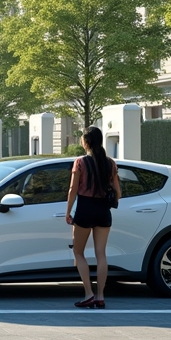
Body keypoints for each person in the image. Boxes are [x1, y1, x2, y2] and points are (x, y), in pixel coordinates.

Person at [65, 126, 121, 309]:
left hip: (85, 208)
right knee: (101, 254)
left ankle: (88, 294)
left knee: (78, 252)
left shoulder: (80, 162)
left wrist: (68, 211)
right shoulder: (110, 163)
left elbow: (73, 190)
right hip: (104, 209)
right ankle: (100, 296)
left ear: (86, 142)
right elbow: (118, 193)